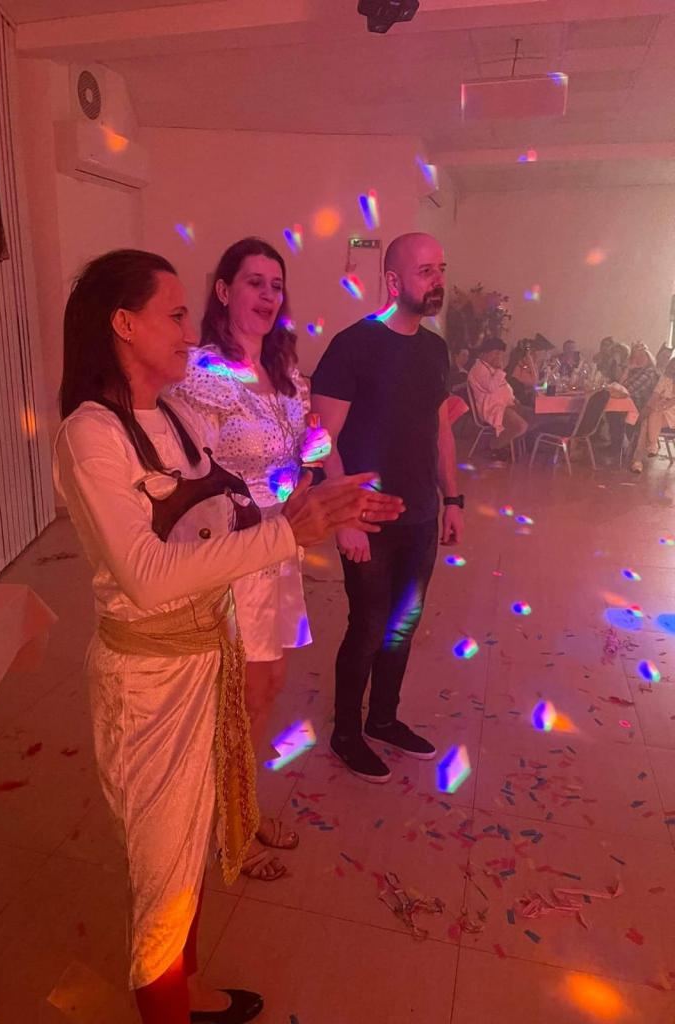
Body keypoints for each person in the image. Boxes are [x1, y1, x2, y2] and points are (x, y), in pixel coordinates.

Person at [54, 248, 404, 1022]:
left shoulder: (179, 412)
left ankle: (192, 987)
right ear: (123, 323)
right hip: (149, 681)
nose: (191, 332)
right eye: (176, 314)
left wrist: (321, 506)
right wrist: (289, 531)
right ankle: (169, 998)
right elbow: (147, 575)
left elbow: (232, 507)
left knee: (189, 844)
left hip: (206, 650)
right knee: (162, 876)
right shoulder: (92, 435)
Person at [173, 237, 329, 881]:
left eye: (275, 285)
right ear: (223, 291)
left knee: (267, 684)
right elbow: (189, 471)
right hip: (232, 546)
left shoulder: (285, 373)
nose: (267, 295)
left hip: (280, 546)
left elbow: (298, 456)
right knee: (237, 691)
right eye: (254, 282)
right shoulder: (203, 373)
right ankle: (224, 823)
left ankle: (241, 803)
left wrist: (312, 454)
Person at [311, 232, 464, 783]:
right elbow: (320, 440)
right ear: (394, 281)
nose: (438, 281)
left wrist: (453, 499)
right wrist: (344, 517)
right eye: (426, 272)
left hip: (421, 514)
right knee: (368, 626)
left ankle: (383, 719)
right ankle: (346, 733)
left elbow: (439, 430)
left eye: (441, 269)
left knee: (403, 623)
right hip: (368, 518)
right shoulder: (352, 346)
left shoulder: (434, 349)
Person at [467, 337, 529, 460]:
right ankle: (494, 445)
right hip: (494, 409)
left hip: (508, 405)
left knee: (535, 416)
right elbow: (491, 387)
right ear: (485, 353)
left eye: (500, 354)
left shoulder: (491, 368)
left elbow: (505, 387)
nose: (498, 357)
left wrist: (513, 398)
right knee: (520, 426)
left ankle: (509, 446)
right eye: (496, 353)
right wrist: (500, 369)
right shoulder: (479, 369)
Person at [630, 356, 675, 473]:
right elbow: (655, 396)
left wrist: (663, 404)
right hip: (660, 411)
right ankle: (651, 447)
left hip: (673, 414)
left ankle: (638, 459)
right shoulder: (665, 379)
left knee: (647, 421)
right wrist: (647, 409)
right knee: (648, 417)